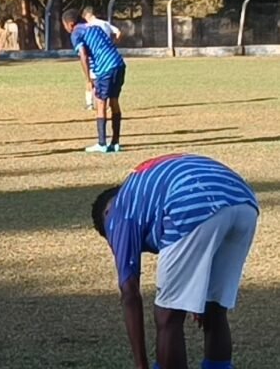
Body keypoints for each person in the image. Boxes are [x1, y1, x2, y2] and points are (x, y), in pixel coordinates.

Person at [92, 154, 259, 369]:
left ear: (106, 214)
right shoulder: (145, 188)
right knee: (214, 308)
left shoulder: (118, 211)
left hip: (191, 201)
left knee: (168, 315)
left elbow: (130, 295)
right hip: (243, 201)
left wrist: (141, 365)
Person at [62, 8, 126, 153]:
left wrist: (88, 78)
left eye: (64, 25)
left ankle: (102, 144)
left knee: (100, 102)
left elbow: (83, 55)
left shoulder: (76, 32)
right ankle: (115, 142)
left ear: (70, 24)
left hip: (105, 67)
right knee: (114, 101)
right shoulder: (95, 27)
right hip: (119, 63)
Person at [81, 6, 122, 110]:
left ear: (87, 15)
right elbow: (118, 32)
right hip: (108, 56)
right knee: (107, 80)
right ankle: (109, 104)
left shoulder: (88, 26)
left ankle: (90, 103)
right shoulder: (105, 23)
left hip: (94, 55)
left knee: (91, 79)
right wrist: (113, 44)